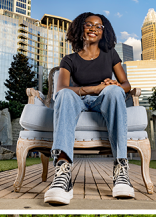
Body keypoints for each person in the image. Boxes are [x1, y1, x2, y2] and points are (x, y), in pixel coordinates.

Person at [45, 13, 135, 205]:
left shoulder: (110, 54)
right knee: (65, 94)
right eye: (89, 24)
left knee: (113, 92)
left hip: (102, 101)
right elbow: (61, 89)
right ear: (80, 29)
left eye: (99, 26)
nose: (94, 28)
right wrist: (94, 88)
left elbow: (126, 84)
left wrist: (115, 85)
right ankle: (63, 173)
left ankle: (121, 169)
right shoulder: (69, 60)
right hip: (77, 100)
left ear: (104, 32)